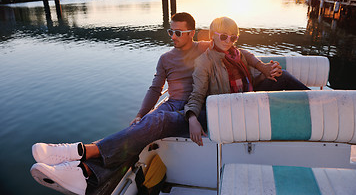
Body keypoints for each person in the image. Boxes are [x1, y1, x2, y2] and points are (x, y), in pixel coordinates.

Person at [29, 14, 296, 195]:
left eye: (178, 32)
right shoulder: (165, 58)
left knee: (155, 123)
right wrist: (140, 113)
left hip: (198, 105)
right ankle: (84, 171)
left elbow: (234, 47)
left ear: (192, 33)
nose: (172, 35)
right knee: (145, 125)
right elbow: (155, 89)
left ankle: (82, 157)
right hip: (173, 105)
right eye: (170, 31)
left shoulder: (207, 48)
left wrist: (263, 66)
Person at [184, 16, 309, 145]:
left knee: (281, 76)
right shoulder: (204, 62)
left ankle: (318, 101)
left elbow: (250, 79)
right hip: (230, 108)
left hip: (248, 99)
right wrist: (192, 118)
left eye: (232, 37)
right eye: (223, 36)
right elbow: (197, 95)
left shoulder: (238, 55)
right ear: (212, 36)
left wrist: (265, 73)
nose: (228, 41)